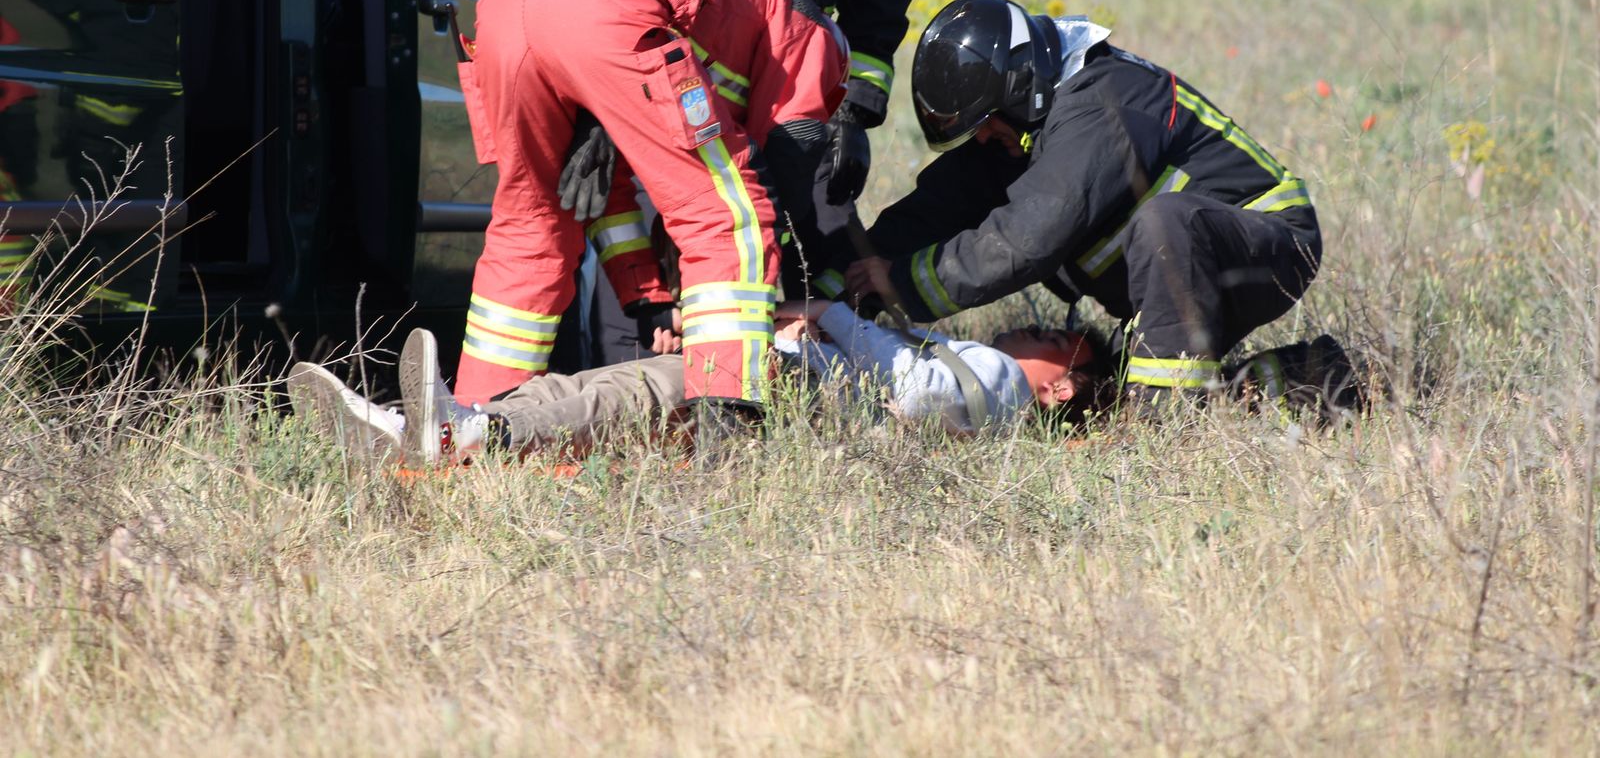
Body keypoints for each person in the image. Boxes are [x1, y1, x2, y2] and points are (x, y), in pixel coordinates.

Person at [557, 0, 929, 367]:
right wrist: (605, 116)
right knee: (670, 217)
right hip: (677, 75)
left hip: (788, 78)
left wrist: (853, 113)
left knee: (821, 217)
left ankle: (819, 369)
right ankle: (633, 382)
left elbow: (877, 12)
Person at [452, 0, 848, 423]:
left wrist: (647, 297)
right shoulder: (809, 35)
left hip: (506, 0)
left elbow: (600, 186)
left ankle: (469, 420)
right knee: (726, 215)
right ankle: (728, 419)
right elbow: (783, 165)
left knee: (532, 226)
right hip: (608, 0)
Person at [839, 0, 1324, 408]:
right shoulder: (1024, 125)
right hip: (1182, 272)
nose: (983, 135)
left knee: (1164, 221)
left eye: (986, 121)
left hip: (1268, 246)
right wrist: (842, 288)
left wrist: (902, 282)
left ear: (1020, 88)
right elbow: (938, 205)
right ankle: (1313, 377)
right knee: (1107, 388)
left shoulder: (1100, 103)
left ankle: (1165, 422)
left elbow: (1028, 239)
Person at [287, 313, 1104, 466]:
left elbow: (915, 390)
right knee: (611, 396)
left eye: (1046, 334)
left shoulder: (999, 382)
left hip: (794, 389)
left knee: (629, 393)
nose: (1024, 329)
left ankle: (458, 433)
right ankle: (429, 432)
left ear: (1064, 381)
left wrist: (831, 315)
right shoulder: (997, 416)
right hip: (804, 413)